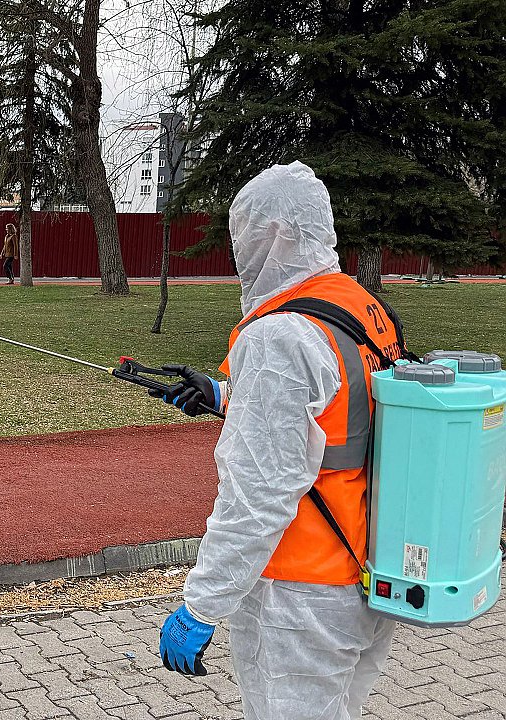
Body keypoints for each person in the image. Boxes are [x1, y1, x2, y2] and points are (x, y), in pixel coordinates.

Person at [153, 162, 405, 719]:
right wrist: (226, 396)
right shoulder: (360, 307)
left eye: (246, 236)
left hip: (298, 595)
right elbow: (342, 413)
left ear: (278, 233)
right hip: (362, 576)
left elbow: (259, 493)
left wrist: (203, 604)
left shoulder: (279, 335)